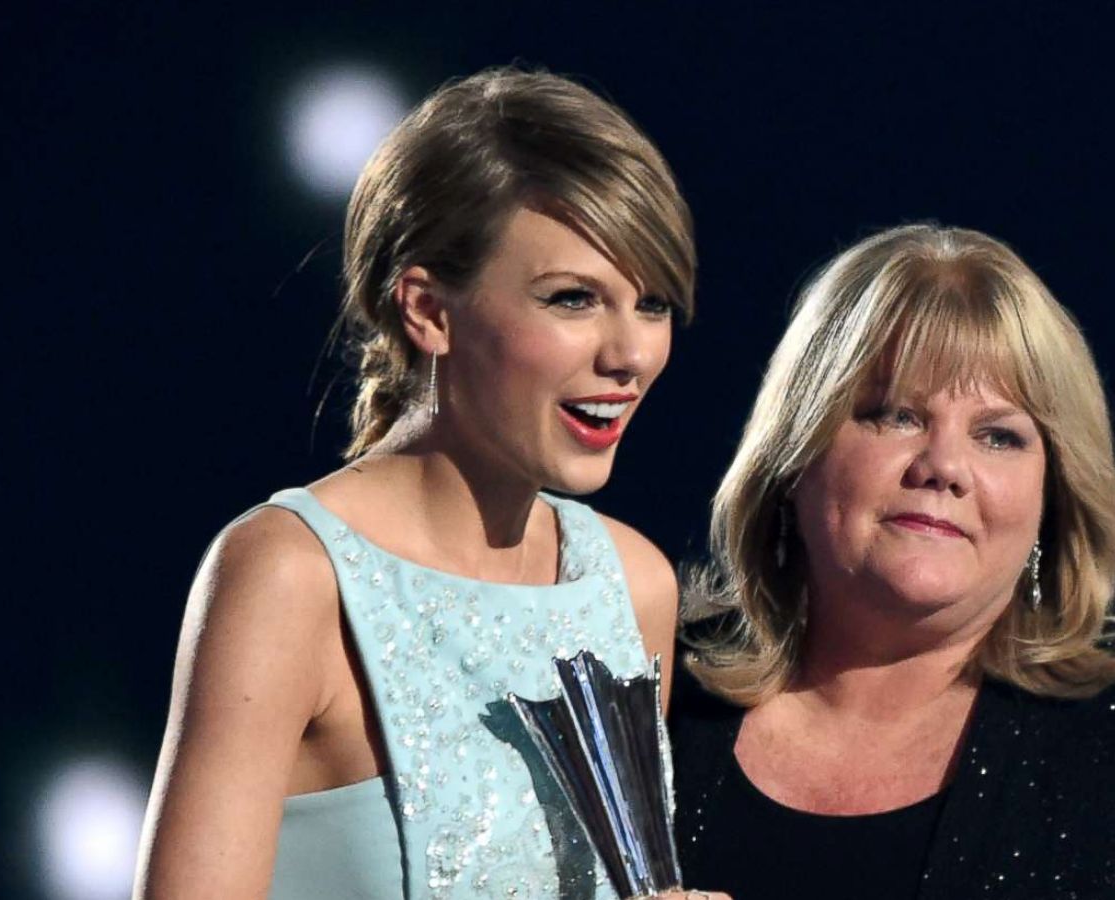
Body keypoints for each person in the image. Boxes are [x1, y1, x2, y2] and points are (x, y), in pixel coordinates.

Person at [135, 68, 727, 900]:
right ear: (427, 310)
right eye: (572, 299)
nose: (629, 355)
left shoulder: (632, 585)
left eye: (654, 304)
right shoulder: (290, 575)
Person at [671, 224, 1115, 899]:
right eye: (895, 415)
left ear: (1054, 495)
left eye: (998, 436)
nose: (943, 468)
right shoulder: (648, 693)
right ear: (794, 454)